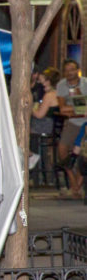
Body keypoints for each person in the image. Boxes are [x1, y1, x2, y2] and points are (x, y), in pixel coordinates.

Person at [57, 59, 87, 198]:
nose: (69, 72)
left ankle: (77, 187)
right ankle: (73, 181)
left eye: (72, 69)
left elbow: (82, 109)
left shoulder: (85, 83)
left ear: (78, 70)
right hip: (73, 122)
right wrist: (77, 111)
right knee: (62, 148)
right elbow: (63, 108)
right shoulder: (61, 85)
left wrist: (73, 110)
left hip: (85, 122)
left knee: (83, 153)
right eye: (67, 70)